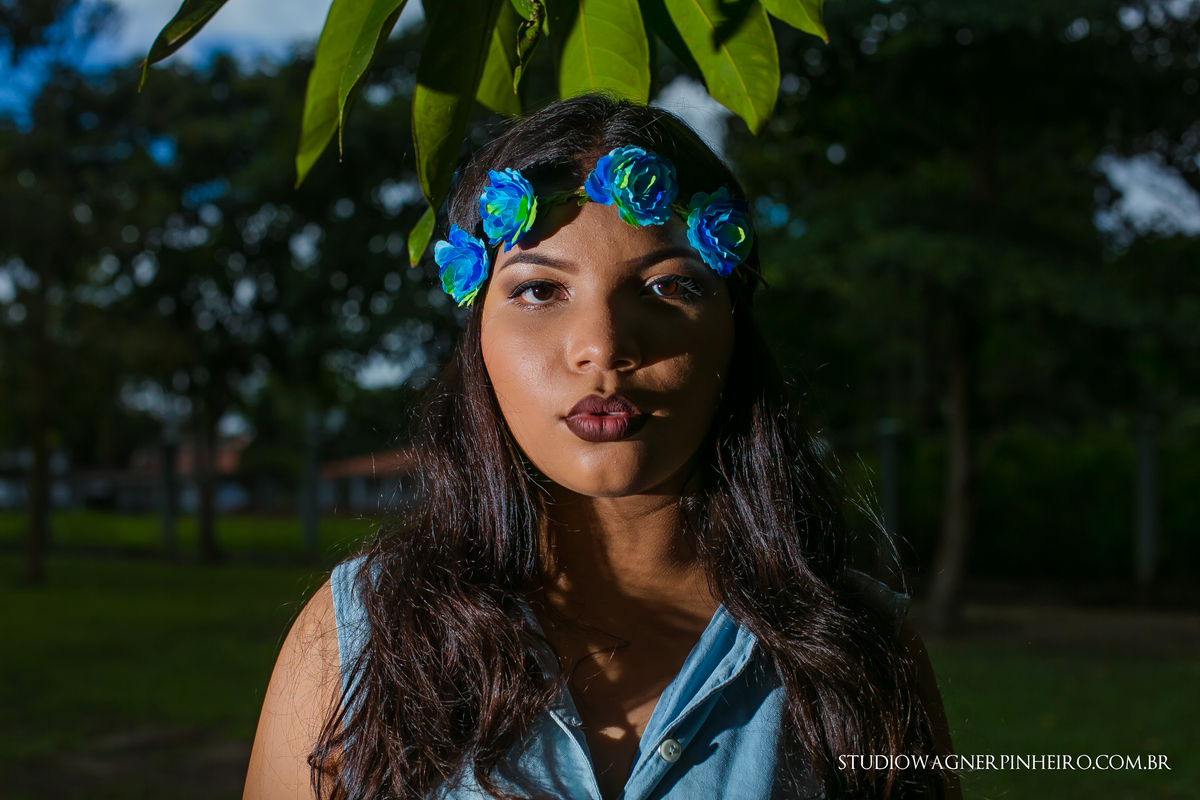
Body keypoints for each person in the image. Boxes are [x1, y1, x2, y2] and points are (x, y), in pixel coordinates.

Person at [244, 94, 961, 800]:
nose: (604, 349)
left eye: (668, 285)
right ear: (478, 338)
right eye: (539, 291)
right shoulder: (361, 636)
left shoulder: (860, 650)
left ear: (734, 331)